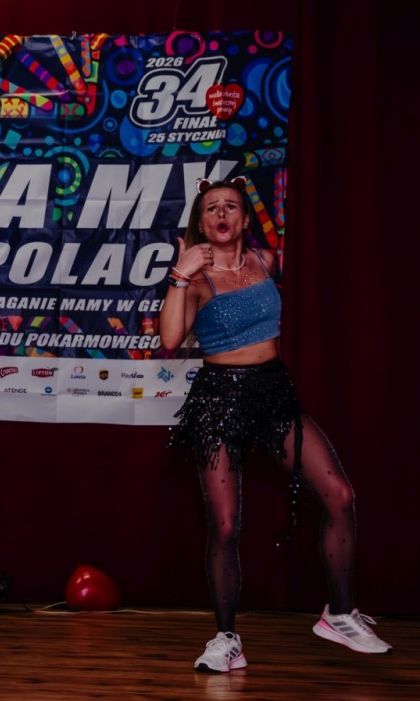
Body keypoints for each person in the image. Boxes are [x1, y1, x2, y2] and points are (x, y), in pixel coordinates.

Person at [160, 176, 391, 673]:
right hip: (220, 398)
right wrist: (179, 274)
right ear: (201, 222)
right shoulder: (196, 277)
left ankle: (339, 614)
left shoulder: (266, 260)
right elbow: (171, 339)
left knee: (340, 495)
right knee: (225, 524)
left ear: (245, 218)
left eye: (231, 206)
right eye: (211, 208)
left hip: (271, 392)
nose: (221, 214)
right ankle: (226, 640)